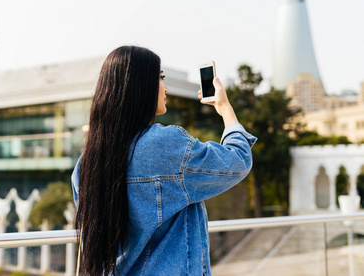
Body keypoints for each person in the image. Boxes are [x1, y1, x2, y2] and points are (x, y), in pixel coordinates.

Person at [72, 45, 256, 275]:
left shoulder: (86, 164)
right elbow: (237, 161)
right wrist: (225, 109)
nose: (165, 88)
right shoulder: (165, 144)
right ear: (140, 85)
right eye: (160, 78)